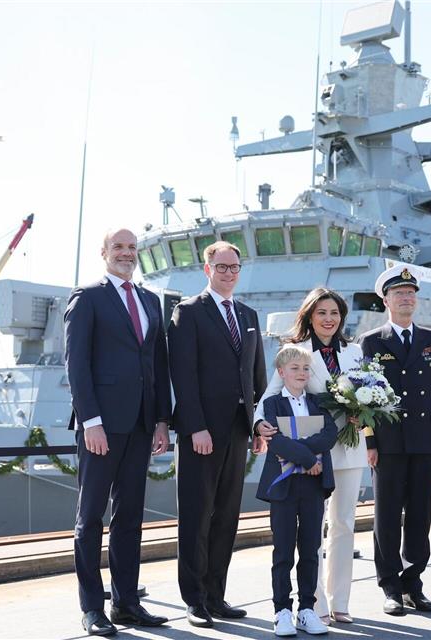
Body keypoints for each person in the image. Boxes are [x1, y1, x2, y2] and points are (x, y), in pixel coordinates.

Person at [64, 228, 172, 636]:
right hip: (102, 427)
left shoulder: (149, 300)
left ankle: (127, 602)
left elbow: (156, 365)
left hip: (143, 424)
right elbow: (77, 365)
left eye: (132, 248)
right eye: (119, 247)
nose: (126, 253)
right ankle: (93, 607)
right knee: (90, 517)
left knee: (130, 517)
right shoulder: (87, 297)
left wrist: (162, 419)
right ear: (104, 252)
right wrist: (90, 421)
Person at [168, 240, 267, 628]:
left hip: (239, 432)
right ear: (207, 270)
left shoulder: (248, 314)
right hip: (202, 433)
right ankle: (194, 599)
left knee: (227, 516)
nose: (228, 273)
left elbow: (254, 376)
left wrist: (256, 423)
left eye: (234, 267)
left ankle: (216, 595)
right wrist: (195, 427)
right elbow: (183, 374)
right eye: (221, 267)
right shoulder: (189, 312)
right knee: (196, 515)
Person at [254, 288, 367, 625]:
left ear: (341, 316)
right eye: (321, 313)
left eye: (334, 313)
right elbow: (270, 395)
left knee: (344, 524)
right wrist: (260, 422)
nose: (329, 319)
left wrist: (365, 413)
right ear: (309, 316)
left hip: (347, 445)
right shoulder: (296, 353)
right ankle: (312, 605)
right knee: (312, 531)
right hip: (306, 451)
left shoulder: (355, 352)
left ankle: (340, 600)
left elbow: (368, 392)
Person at [357, 264, 431, 616]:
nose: (406, 299)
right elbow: (361, 396)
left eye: (411, 293)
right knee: (386, 517)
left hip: (425, 441)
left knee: (420, 514)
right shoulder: (370, 342)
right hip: (388, 443)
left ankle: (413, 582)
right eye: (399, 294)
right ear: (386, 300)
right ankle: (390, 586)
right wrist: (369, 442)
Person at [255, 345, 338, 637]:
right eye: (294, 369)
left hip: (314, 486)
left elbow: (329, 435)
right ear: (281, 373)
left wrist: (304, 455)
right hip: (284, 486)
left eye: (305, 369)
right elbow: (275, 442)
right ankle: (282, 611)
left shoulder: (319, 403)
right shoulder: (272, 405)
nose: (301, 373)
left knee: (311, 548)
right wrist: (307, 459)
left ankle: (307, 609)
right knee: (283, 550)